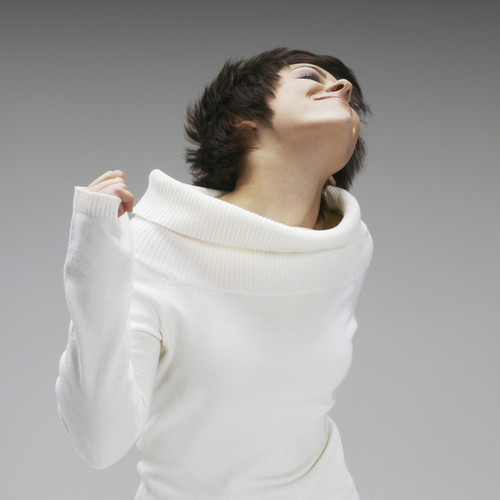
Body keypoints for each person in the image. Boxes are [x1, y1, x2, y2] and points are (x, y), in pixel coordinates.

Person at [56, 47, 373, 499]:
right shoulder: (156, 246)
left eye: (350, 99)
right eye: (309, 76)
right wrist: (93, 264)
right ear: (243, 118)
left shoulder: (347, 249)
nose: (341, 87)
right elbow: (100, 440)